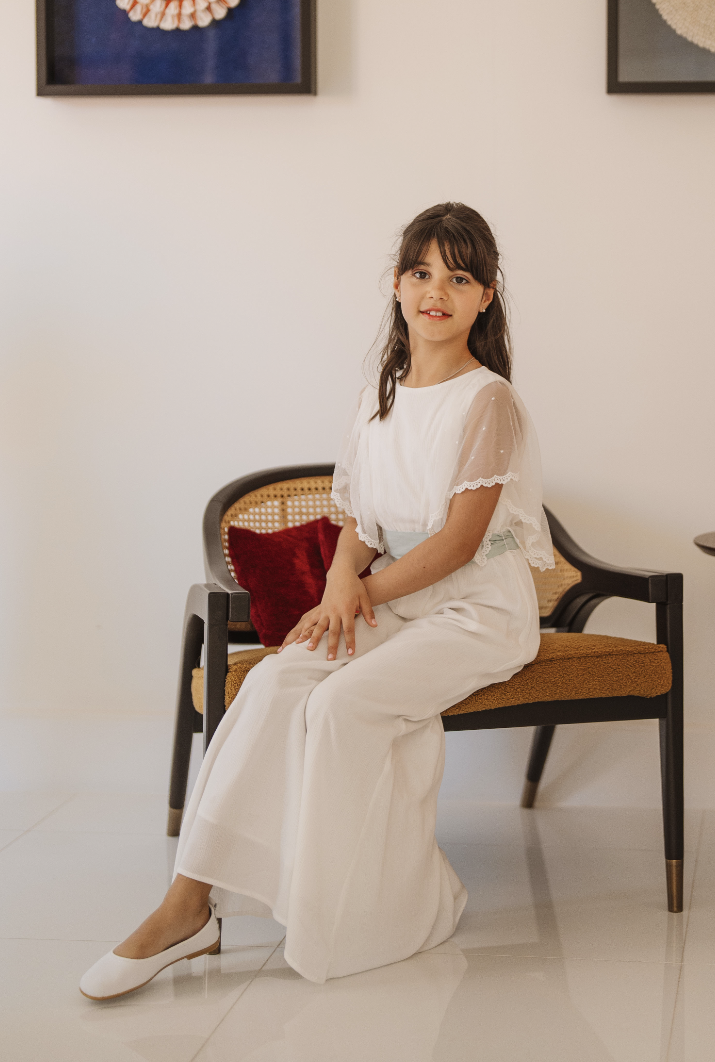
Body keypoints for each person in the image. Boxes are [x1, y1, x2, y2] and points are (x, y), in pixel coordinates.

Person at [80, 202, 553, 999]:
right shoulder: (379, 398)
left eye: (458, 278)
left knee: (340, 705)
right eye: (421, 272)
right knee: (273, 681)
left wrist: (359, 591)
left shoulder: (489, 400)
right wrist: (339, 587)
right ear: (396, 284)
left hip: (478, 612)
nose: (436, 291)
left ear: (486, 295)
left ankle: (396, 905)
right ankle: (188, 905)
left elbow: (458, 543)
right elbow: (361, 522)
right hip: (394, 597)